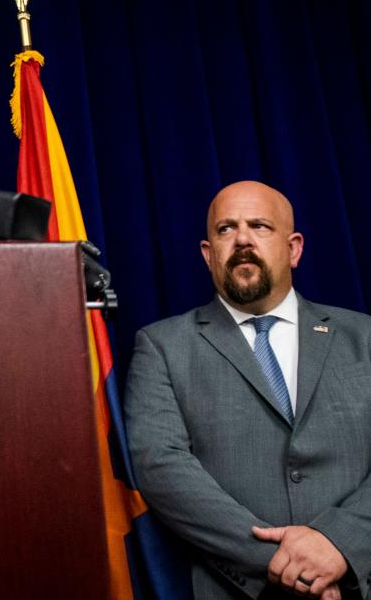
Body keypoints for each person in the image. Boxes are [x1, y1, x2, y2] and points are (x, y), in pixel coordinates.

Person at [125, 181, 371, 600]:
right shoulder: (162, 347)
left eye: (259, 226)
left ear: (294, 248)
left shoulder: (363, 336)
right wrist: (289, 565)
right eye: (226, 229)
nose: (242, 239)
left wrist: (341, 544)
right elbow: (160, 467)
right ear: (207, 254)